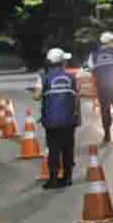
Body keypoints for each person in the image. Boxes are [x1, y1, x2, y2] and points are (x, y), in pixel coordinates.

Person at [34, 48, 79, 189]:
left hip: (52, 121)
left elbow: (36, 96)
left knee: (53, 149)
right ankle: (67, 178)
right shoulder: (72, 77)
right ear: (61, 62)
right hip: (69, 120)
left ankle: (53, 180)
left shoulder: (43, 77)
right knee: (68, 148)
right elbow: (76, 97)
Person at [88, 32, 113, 143]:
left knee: (105, 110)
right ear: (109, 42)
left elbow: (91, 69)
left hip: (102, 87)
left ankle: (107, 134)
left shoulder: (93, 55)